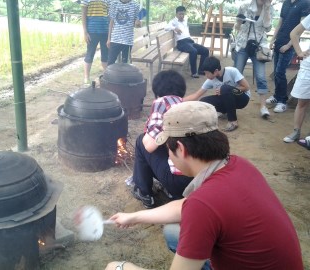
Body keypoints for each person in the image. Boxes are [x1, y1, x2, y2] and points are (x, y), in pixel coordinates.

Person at [105, 101, 304, 270]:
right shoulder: (238, 164)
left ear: (180, 149)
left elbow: (199, 207)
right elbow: (187, 205)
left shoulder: (204, 205)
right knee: (173, 232)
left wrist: (121, 267)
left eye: (168, 149)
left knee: (114, 268)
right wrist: (135, 216)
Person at [130, 70, 193, 209]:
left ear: (157, 90)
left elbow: (149, 146)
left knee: (141, 141)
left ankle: (144, 192)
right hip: (196, 180)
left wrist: (148, 130)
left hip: (178, 181)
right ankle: (169, 190)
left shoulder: (162, 102)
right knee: (167, 143)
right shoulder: (188, 106)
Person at [184, 56, 250, 132]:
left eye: (207, 73)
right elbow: (196, 95)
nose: (206, 76)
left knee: (225, 88)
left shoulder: (232, 71)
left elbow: (246, 87)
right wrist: (179, 101)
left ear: (215, 71)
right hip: (228, 100)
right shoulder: (210, 80)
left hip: (242, 99)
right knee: (203, 101)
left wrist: (228, 90)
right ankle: (225, 112)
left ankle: (233, 121)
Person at [266, 0, 310, 113]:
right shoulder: (285, 3)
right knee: (276, 72)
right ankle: (276, 96)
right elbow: (280, 22)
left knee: (280, 72)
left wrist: (289, 44)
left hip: (289, 44)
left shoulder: (304, 3)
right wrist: (272, 39)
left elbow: (301, 28)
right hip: (279, 41)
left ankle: (282, 101)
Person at [234, 0, 273, 118]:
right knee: (236, 73)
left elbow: (267, 28)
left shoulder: (270, 8)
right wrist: (240, 21)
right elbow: (237, 27)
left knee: (261, 76)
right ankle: (230, 102)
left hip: (259, 46)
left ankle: (263, 107)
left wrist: (266, 9)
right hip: (243, 44)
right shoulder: (244, 6)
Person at [283, 14, 310, 144]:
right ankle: (296, 131)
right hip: (308, 68)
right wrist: (299, 52)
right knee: (302, 101)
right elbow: (294, 33)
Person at [165, 6, 209, 78]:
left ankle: (201, 70)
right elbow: (166, 27)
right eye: (180, 14)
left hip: (189, 41)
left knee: (205, 51)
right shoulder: (173, 21)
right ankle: (194, 72)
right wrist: (174, 28)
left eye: (183, 14)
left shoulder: (185, 20)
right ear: (176, 14)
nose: (182, 16)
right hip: (181, 43)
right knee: (193, 51)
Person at [81, 0, 110, 85]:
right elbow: (83, 15)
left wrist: (109, 35)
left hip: (105, 31)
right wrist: (85, 32)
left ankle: (106, 76)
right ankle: (86, 77)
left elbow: (108, 15)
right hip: (92, 32)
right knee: (90, 54)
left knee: (105, 55)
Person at [107, 0, 140, 65]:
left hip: (127, 41)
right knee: (110, 62)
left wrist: (138, 23)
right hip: (115, 39)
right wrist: (109, 38)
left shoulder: (135, 5)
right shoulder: (114, 3)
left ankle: (123, 75)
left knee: (125, 64)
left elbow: (137, 23)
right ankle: (110, 75)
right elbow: (111, 22)